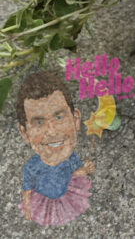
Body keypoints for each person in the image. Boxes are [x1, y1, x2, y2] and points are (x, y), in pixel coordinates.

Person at [16, 70, 94, 226]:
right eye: (38, 122)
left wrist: (84, 171)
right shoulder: (31, 167)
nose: (52, 132)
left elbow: (74, 175)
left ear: (76, 120)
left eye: (59, 117)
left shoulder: (71, 157)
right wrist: (26, 207)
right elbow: (26, 190)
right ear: (25, 133)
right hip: (43, 201)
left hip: (66, 195)